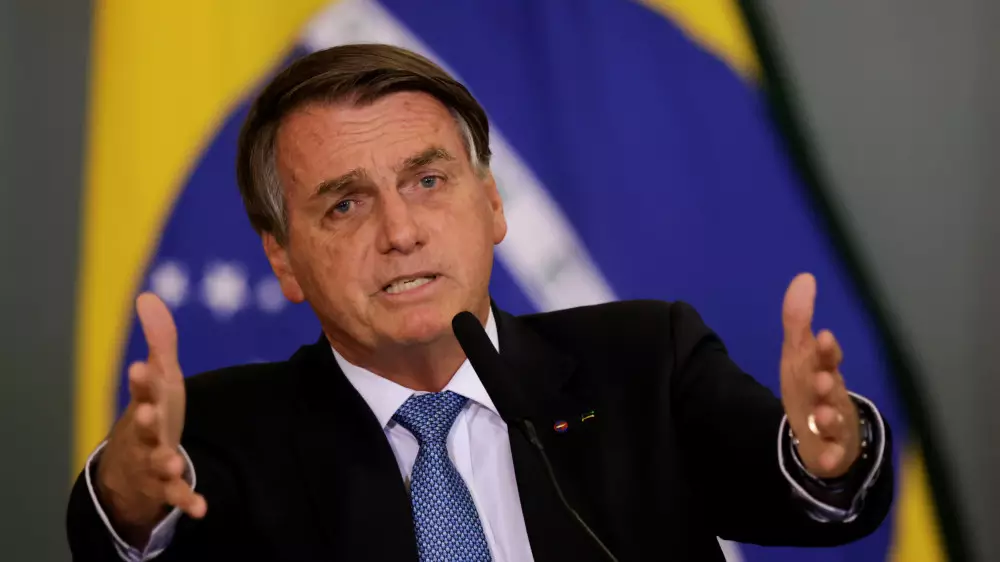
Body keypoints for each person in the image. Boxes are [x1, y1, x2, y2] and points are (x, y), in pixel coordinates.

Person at [66, 44, 892, 562]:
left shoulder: (644, 360)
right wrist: (130, 502)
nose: (400, 232)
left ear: (492, 204)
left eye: (428, 181)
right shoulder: (224, 434)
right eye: (345, 204)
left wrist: (827, 453)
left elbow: (800, 491)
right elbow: (131, 535)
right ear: (283, 258)